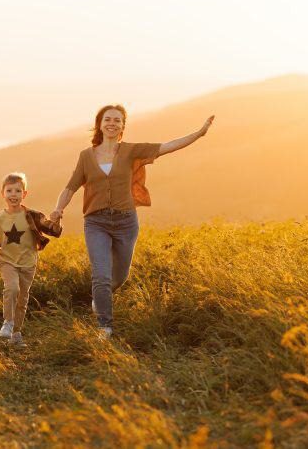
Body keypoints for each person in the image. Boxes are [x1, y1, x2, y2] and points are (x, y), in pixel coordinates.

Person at [50, 104, 214, 340]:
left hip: (126, 222)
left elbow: (167, 146)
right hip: (96, 222)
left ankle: (101, 297)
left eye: (117, 120)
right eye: (108, 119)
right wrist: (58, 209)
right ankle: (104, 326)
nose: (112, 123)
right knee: (101, 275)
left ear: (123, 126)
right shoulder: (86, 156)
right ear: (100, 124)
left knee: (120, 277)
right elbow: (70, 187)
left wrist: (198, 133)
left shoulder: (131, 151)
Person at [0, 172, 62, 346]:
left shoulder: (33, 216)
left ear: (24, 194)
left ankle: (16, 334)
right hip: (7, 261)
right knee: (11, 288)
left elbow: (52, 229)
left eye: (18, 191)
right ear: (3, 194)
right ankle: (8, 322)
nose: (13, 194)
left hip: (28, 263)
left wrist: (57, 221)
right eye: (9, 191)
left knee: (22, 299)